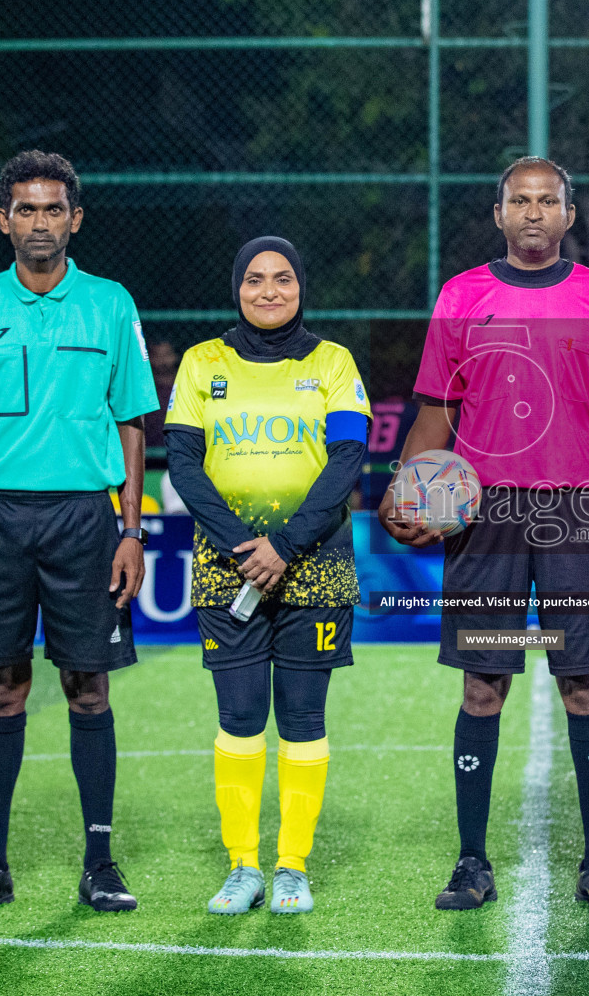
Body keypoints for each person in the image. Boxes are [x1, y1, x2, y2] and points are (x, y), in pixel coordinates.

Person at [380, 156, 589, 912]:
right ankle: (470, 862)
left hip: (578, 513)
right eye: (519, 201)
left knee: (582, 682)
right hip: (484, 513)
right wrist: (407, 489)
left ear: (569, 214)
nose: (533, 213)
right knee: (483, 685)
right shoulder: (462, 295)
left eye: (547, 201)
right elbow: (435, 408)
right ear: (498, 214)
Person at [0, 150, 158, 914]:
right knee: (2, 690)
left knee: (88, 687)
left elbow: (131, 424)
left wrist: (132, 529)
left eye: (53, 209)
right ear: (3, 220)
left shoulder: (111, 303)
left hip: (86, 519)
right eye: (25, 209)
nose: (39, 221)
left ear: (75, 219)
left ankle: (100, 861)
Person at [164, 236, 371, 916]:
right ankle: (242, 867)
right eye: (255, 279)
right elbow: (185, 467)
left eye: (283, 278)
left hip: (316, 567)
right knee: (241, 716)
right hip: (229, 572)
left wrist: (282, 545)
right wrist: (244, 545)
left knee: (304, 719)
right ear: (238, 288)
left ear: (301, 286)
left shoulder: (333, 363)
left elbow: (347, 461)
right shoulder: (203, 363)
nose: (270, 291)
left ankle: (291, 867)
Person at [142, 340, 180, 451]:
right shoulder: (145, 389)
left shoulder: (185, 384)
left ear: (175, 356)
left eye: (167, 355)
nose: (163, 361)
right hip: (149, 453)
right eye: (157, 356)